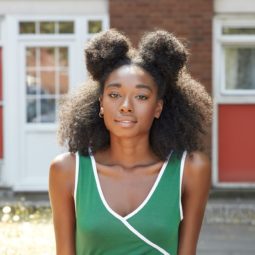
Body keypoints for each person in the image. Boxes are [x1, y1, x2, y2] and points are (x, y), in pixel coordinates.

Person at [49, 29, 212, 255]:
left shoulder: (190, 169)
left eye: (141, 96)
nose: (126, 106)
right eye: (114, 95)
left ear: (158, 107)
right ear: (101, 104)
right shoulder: (67, 170)